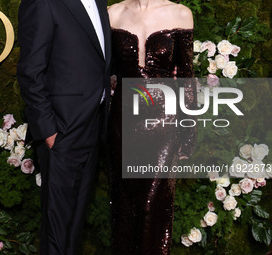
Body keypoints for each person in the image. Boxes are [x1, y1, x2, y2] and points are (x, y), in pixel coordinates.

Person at [16, 0, 111, 254]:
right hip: (62, 129)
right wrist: (48, 130)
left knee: (74, 226)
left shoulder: (100, 3)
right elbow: (30, 72)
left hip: (95, 124)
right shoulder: (44, 3)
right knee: (57, 229)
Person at [107, 0, 197, 254]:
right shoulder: (113, 13)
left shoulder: (180, 13)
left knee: (153, 206)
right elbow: (102, 71)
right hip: (122, 122)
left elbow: (187, 78)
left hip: (164, 124)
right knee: (123, 208)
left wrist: (188, 131)